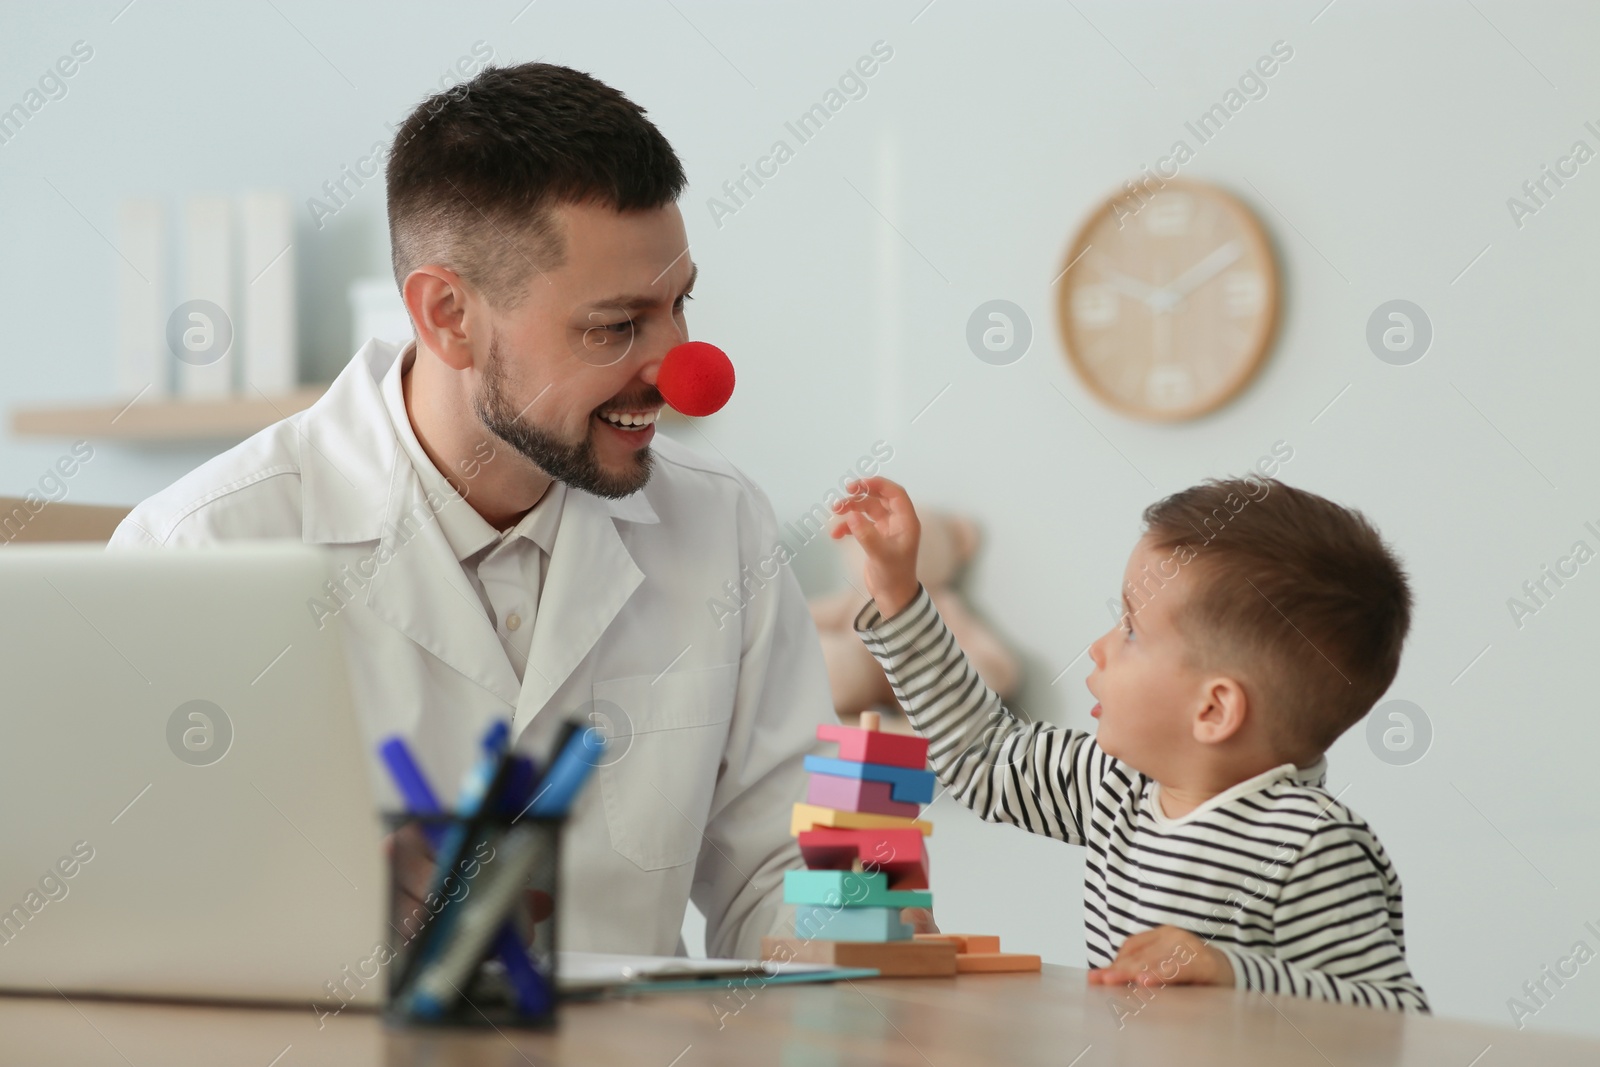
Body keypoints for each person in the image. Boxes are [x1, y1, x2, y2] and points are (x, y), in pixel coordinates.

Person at [107, 62, 933, 958]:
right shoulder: (201, 547)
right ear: (449, 313)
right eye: (615, 326)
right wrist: (324, 916)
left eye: (679, 304)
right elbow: (111, 926)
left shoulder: (722, 527)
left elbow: (781, 866)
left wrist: (864, 913)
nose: (682, 370)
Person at [832, 474, 1429, 1011]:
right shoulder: (1116, 786)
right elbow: (981, 752)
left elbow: (1389, 1013)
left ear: (1214, 709)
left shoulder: (1311, 845)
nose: (1100, 647)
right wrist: (900, 598)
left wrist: (1230, 971)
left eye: (1131, 631)